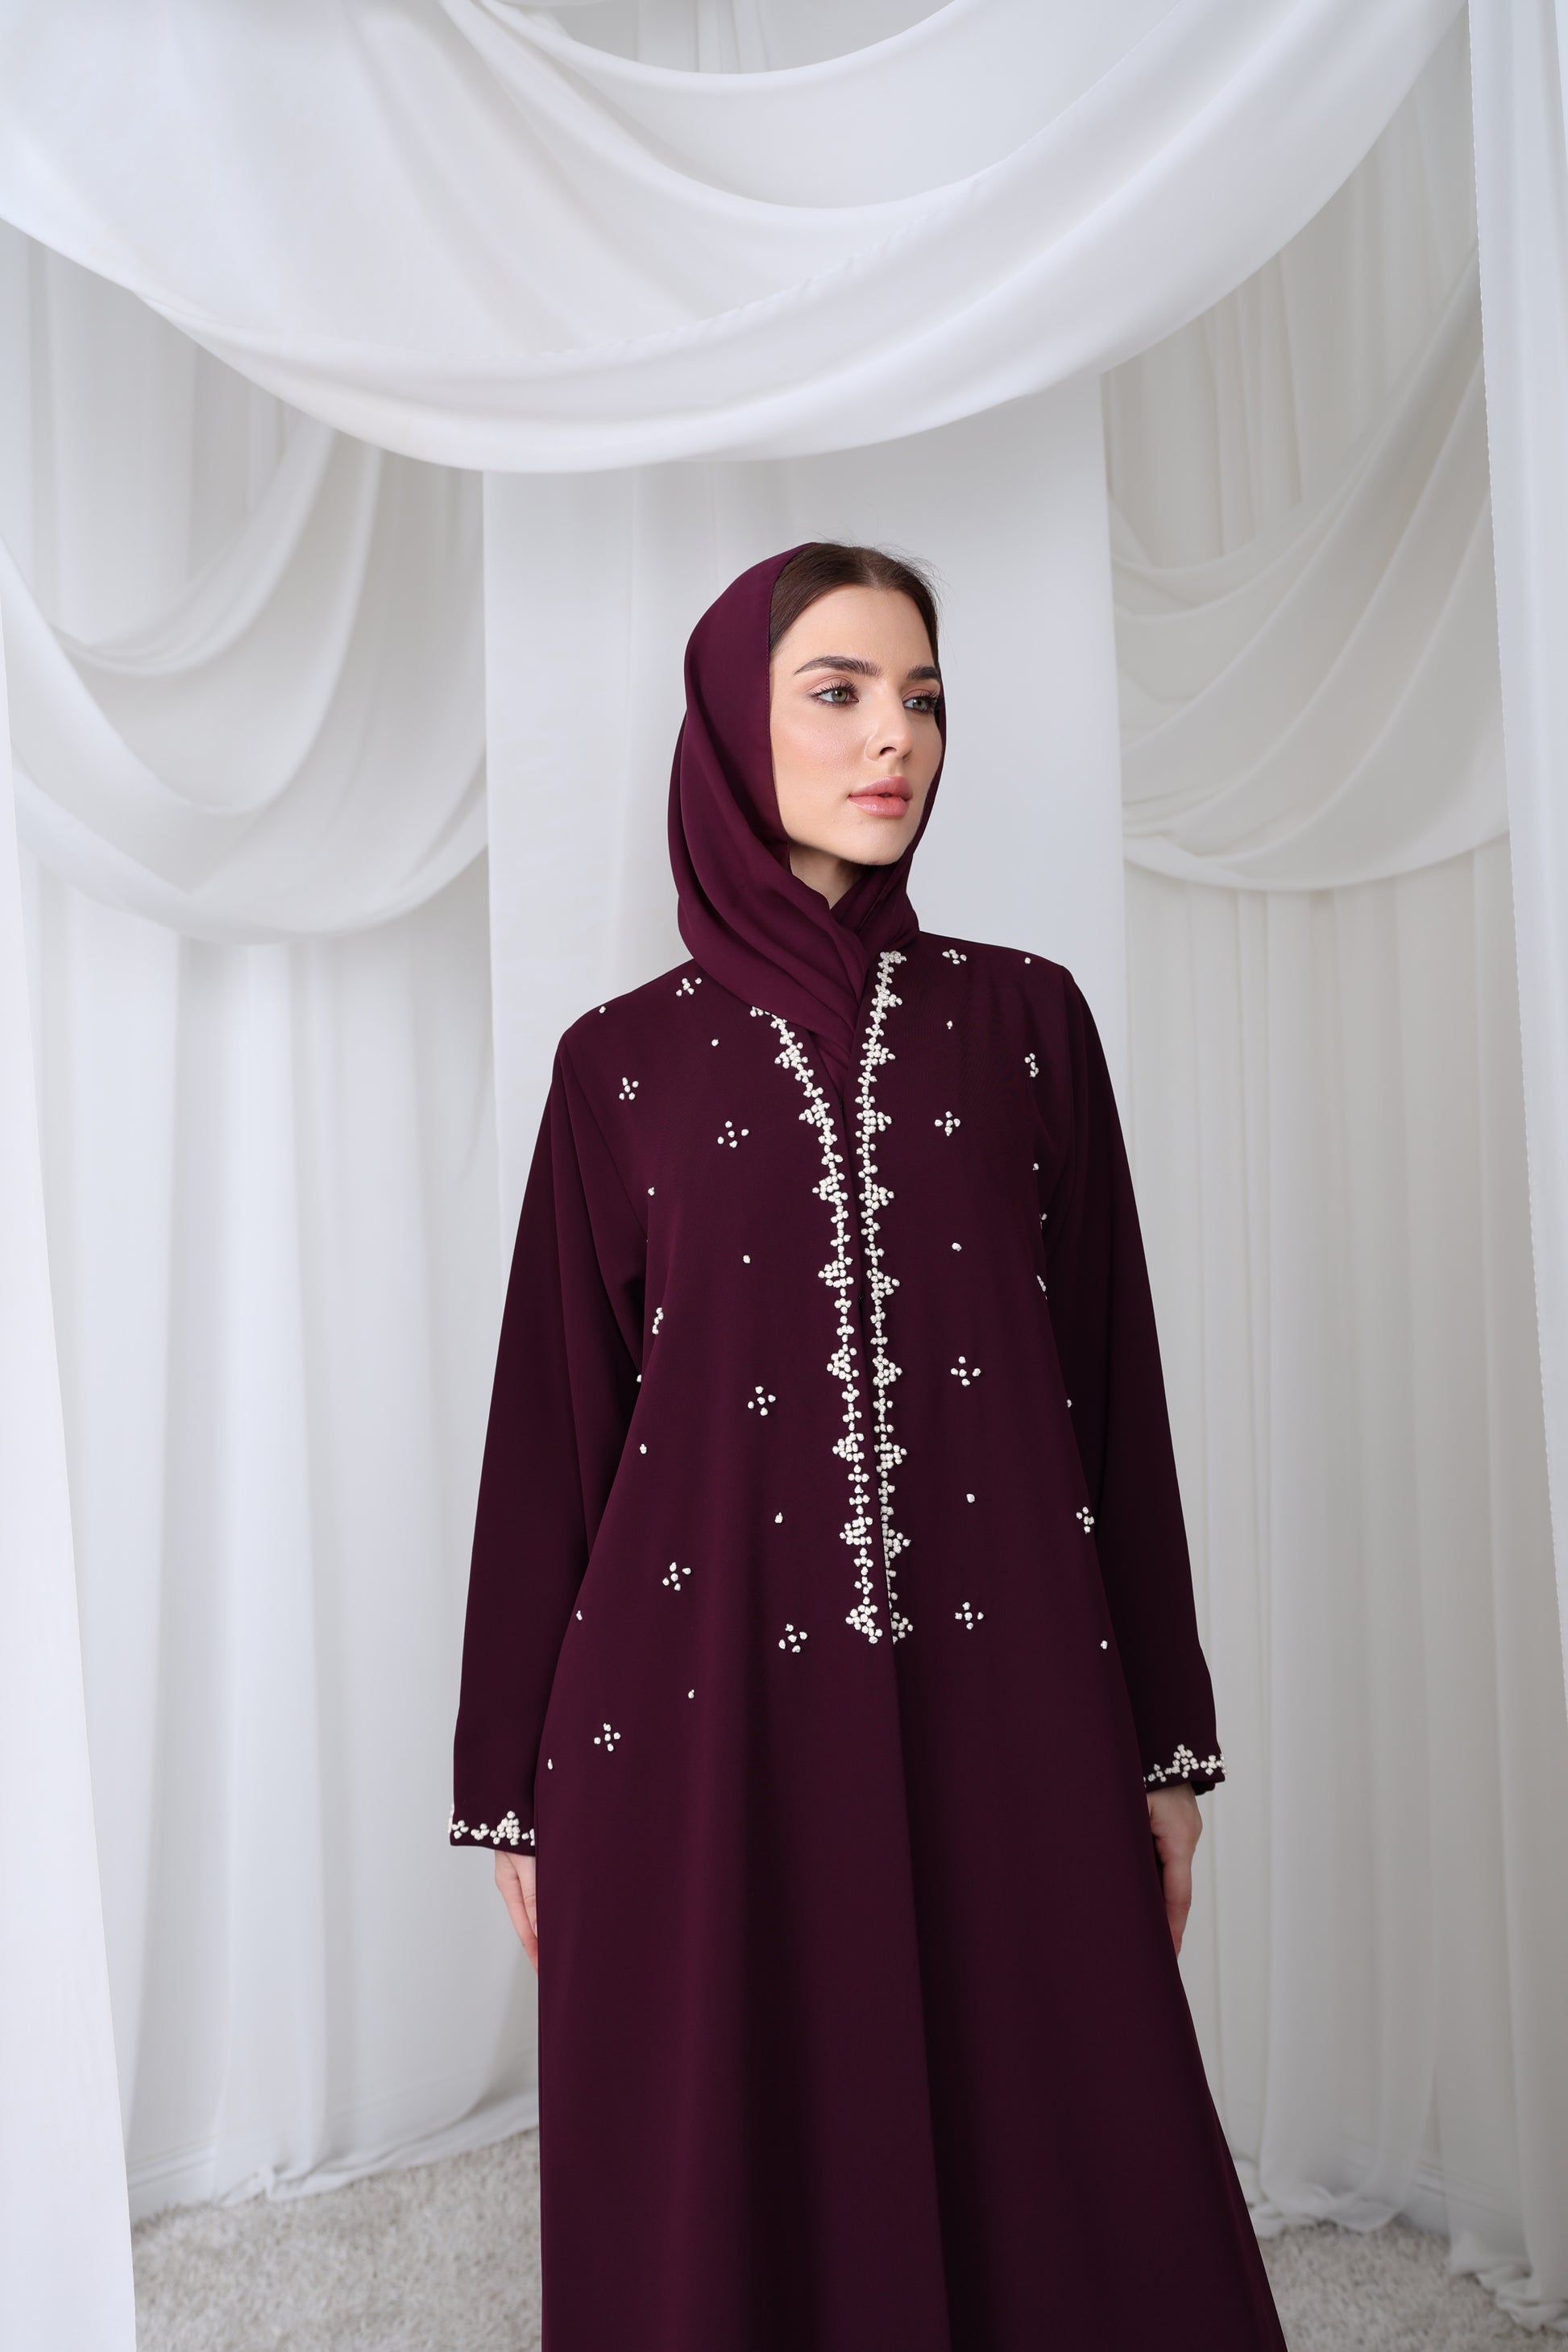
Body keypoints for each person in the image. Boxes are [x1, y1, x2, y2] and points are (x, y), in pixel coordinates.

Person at [450, 542, 1288, 2350]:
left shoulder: (1026, 1023)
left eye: (919, 697)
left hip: (1010, 1693)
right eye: (834, 691)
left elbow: (1111, 1397)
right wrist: (516, 1780)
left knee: (1076, 2160)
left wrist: (1162, 1742)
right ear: (727, 726)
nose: (891, 736)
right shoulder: (618, 1069)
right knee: (734, 2180)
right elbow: (554, 1438)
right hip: (696, 1720)